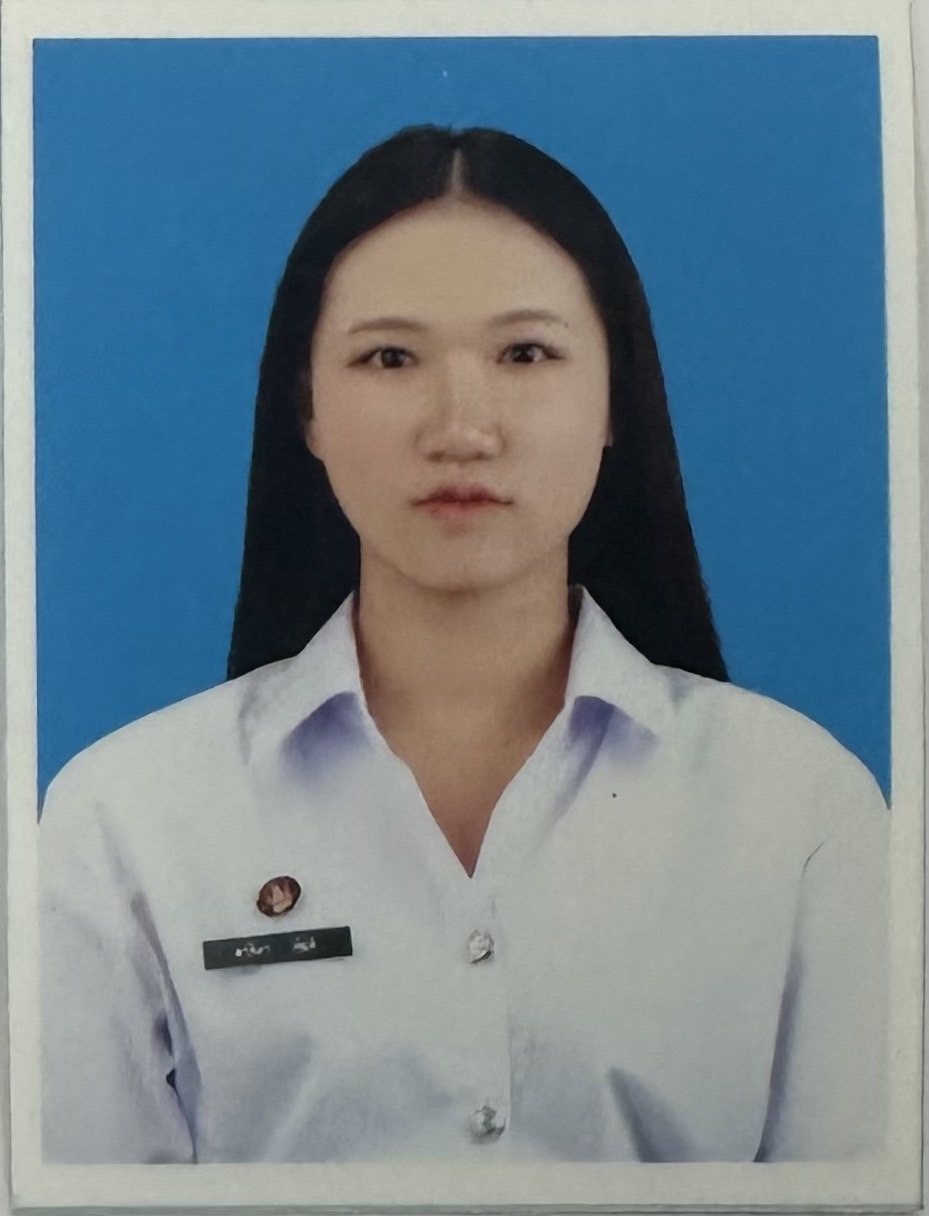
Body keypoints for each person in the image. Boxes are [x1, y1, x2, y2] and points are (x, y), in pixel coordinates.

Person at [40, 125, 888, 1165]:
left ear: (615, 396)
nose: (461, 426)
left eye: (524, 353)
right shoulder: (121, 822)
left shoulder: (802, 811)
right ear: (306, 406)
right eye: (389, 356)